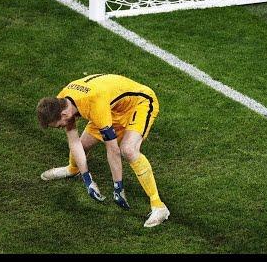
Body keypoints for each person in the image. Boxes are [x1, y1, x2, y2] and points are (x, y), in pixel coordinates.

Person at [36, 73, 169, 228]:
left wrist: (118, 187)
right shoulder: (61, 101)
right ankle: (73, 169)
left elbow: (112, 149)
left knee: (128, 149)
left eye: (59, 125)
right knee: (83, 145)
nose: (61, 127)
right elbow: (74, 141)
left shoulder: (93, 104)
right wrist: (87, 179)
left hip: (138, 104)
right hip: (112, 109)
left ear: (64, 114)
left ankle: (159, 206)